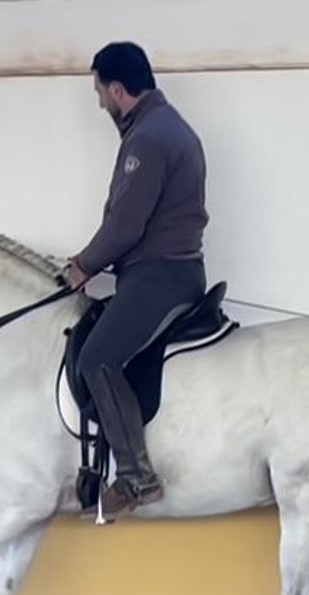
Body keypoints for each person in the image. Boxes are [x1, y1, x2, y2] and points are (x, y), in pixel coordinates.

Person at [66, 41, 210, 517]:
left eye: (100, 91)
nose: (99, 102)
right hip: (167, 270)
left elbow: (126, 225)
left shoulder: (148, 138)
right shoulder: (165, 128)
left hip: (159, 276)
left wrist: (83, 265)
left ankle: (136, 477)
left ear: (118, 88)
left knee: (97, 358)